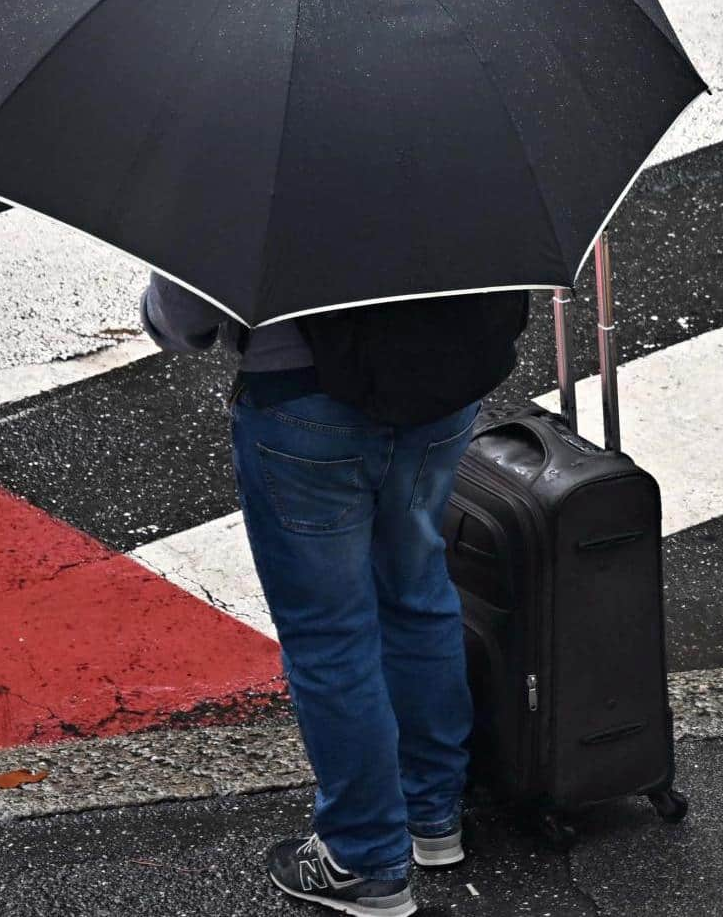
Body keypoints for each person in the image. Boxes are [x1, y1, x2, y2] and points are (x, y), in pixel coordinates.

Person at [141, 276, 527, 916]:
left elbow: (183, 321)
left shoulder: (250, 172)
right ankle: (432, 814)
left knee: (330, 637)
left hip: (304, 401)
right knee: (417, 592)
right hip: (440, 387)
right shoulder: (452, 167)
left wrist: (158, 309)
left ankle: (365, 857)